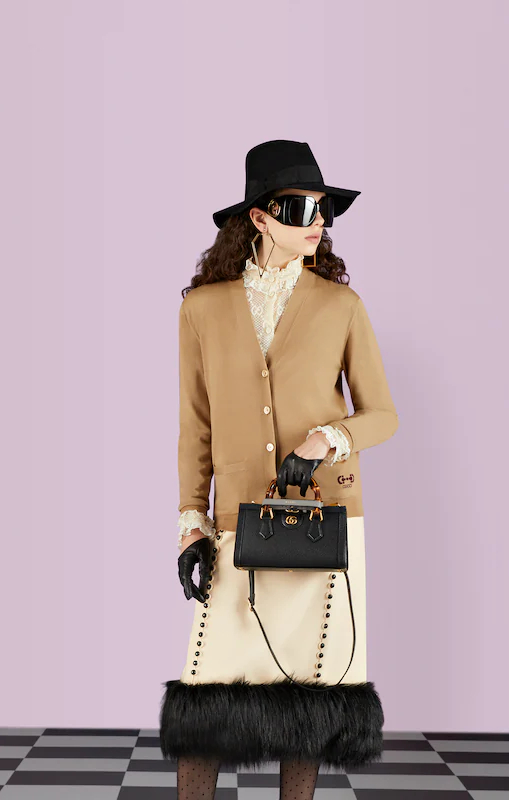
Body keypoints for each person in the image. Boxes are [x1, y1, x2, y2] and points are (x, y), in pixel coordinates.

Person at [158, 140, 399, 800]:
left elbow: (382, 415)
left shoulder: (341, 306)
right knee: (206, 699)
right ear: (260, 218)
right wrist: (191, 522)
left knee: (307, 698)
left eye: (325, 209)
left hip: (325, 520)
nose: (317, 221)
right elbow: (195, 428)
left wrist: (327, 439)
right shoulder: (201, 309)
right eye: (299, 208)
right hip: (237, 520)